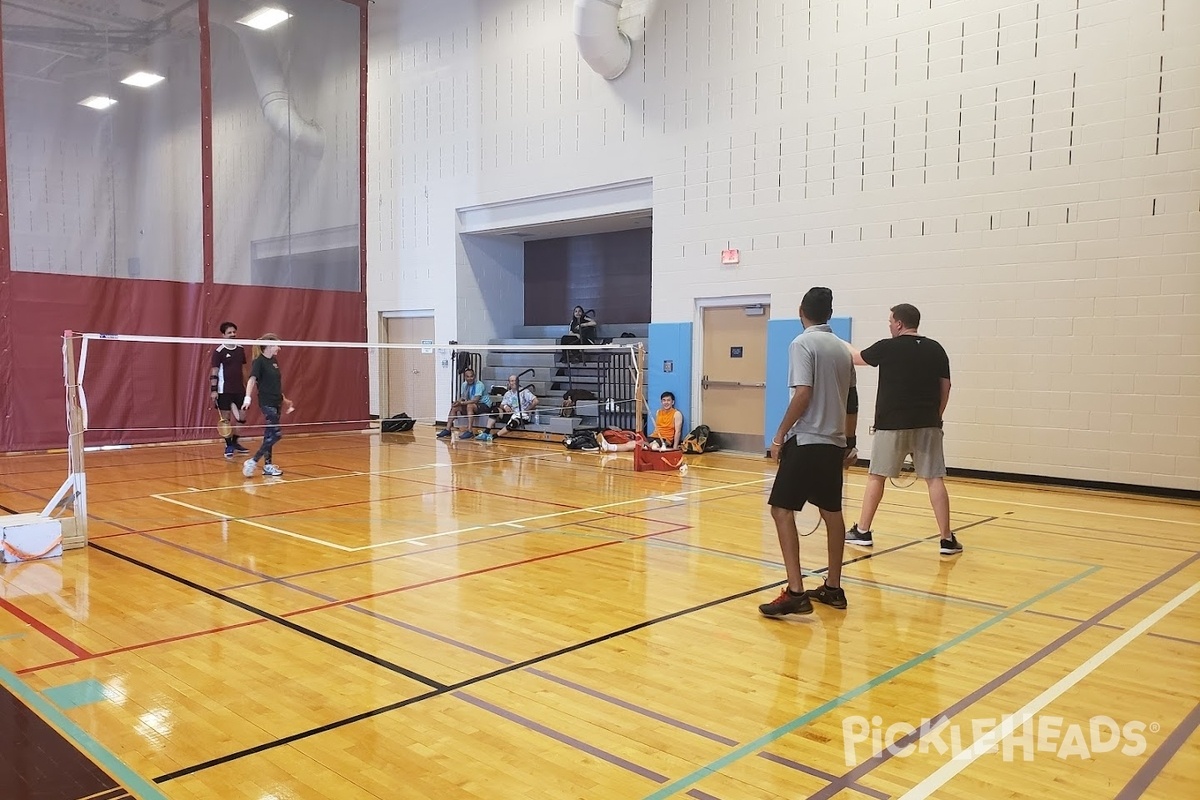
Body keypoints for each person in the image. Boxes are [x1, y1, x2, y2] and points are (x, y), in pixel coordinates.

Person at [759, 287, 856, 618]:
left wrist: (779, 434)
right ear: (829, 312)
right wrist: (850, 441)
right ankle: (834, 588)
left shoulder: (802, 343)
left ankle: (796, 591)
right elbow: (852, 400)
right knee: (832, 513)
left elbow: (803, 394)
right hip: (834, 443)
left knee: (781, 510)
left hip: (807, 440)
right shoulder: (843, 349)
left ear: (802, 310)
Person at [844, 303, 960, 555]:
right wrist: (936, 416)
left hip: (891, 424)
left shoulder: (888, 347)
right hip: (928, 423)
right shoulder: (936, 349)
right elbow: (946, 386)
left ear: (898, 323)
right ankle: (946, 539)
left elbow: (855, 357)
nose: (889, 326)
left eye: (890, 322)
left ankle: (862, 531)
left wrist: (835, 340)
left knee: (877, 476)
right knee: (934, 479)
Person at [241, 334, 294, 477]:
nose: (279, 348)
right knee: (276, 434)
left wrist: (285, 400)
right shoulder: (259, 362)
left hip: (277, 401)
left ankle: (268, 466)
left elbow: (274, 385)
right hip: (266, 402)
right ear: (269, 346)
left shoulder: (274, 361)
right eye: (277, 345)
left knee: (269, 434)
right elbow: (252, 380)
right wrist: (247, 398)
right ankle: (253, 461)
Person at [210, 321, 249, 459]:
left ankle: (235, 442)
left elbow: (243, 369)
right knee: (225, 419)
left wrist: (248, 386)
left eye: (234, 332)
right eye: (229, 333)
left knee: (242, 417)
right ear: (223, 335)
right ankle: (228, 445)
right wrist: (213, 390)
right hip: (224, 390)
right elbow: (214, 370)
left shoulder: (240, 349)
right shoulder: (219, 351)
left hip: (239, 389)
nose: (233, 334)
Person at [597, 391, 683, 451]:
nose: (666, 402)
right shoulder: (658, 412)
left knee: (653, 446)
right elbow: (657, 428)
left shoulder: (676, 414)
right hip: (654, 436)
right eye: (664, 400)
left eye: (668, 400)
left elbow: (678, 432)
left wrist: (675, 448)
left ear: (672, 402)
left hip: (665, 439)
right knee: (635, 443)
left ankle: (651, 449)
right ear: (661, 402)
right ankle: (610, 447)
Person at [478, 375, 539, 441]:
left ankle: (493, 436)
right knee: (494, 410)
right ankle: (486, 432)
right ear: (509, 383)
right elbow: (502, 405)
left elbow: (536, 401)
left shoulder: (524, 391)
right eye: (511, 381)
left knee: (513, 424)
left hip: (522, 416)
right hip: (511, 414)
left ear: (518, 382)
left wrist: (527, 409)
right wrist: (505, 406)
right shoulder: (508, 393)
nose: (513, 383)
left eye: (514, 381)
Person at [436, 367, 490, 439]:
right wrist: (457, 402)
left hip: (484, 405)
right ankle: (447, 429)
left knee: (469, 406)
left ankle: (470, 431)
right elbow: (463, 397)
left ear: (474, 376)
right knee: (455, 407)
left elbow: (475, 400)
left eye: (471, 376)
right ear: (465, 377)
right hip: (472, 404)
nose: (470, 378)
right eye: (467, 377)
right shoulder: (464, 384)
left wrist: (461, 403)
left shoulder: (479, 385)